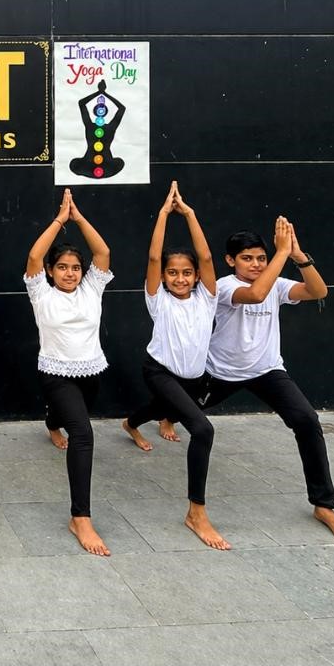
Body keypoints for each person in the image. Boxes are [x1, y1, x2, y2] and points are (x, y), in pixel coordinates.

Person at [201, 216, 334, 544]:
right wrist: (281, 253)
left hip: (268, 370)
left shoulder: (277, 283)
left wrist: (298, 256)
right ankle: (137, 421)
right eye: (247, 258)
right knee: (173, 407)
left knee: (308, 421)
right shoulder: (226, 286)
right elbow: (256, 295)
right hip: (220, 372)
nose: (256, 264)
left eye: (261, 258)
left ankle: (324, 505)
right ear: (230, 261)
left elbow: (318, 291)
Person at [121, 182, 229, 549]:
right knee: (202, 429)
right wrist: (165, 215)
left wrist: (192, 215)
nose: (180, 278)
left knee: (164, 409)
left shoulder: (207, 298)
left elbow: (208, 258)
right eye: (173, 273)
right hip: (160, 370)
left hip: (195, 379)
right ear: (164, 277)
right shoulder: (158, 300)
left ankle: (133, 423)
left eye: (186, 272)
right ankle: (196, 512)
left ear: (196, 276)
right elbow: (153, 258)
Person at [24, 188, 113, 556]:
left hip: (91, 370)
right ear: (50, 271)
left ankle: (51, 421)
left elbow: (103, 253)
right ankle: (81, 517)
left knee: (70, 418)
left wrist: (79, 218)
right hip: (56, 373)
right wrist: (60, 220)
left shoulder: (92, 288)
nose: (70, 273)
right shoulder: (41, 293)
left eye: (75, 267)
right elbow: (33, 254)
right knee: (83, 434)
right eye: (62, 267)